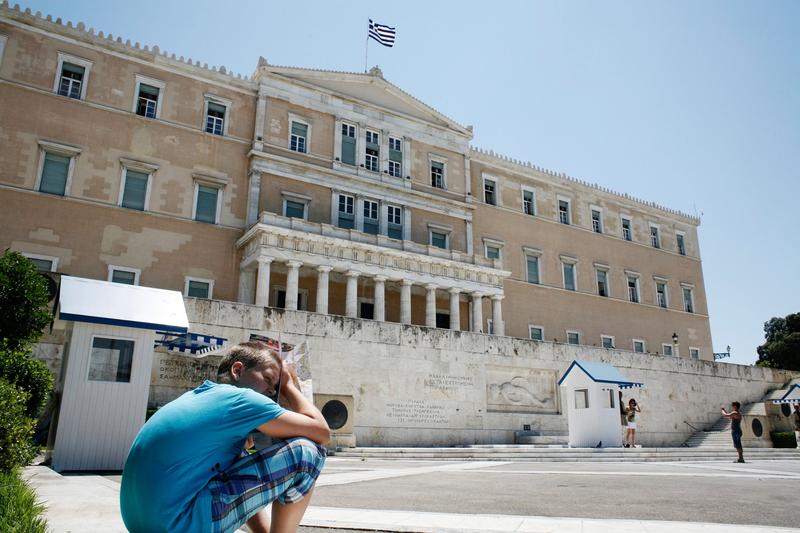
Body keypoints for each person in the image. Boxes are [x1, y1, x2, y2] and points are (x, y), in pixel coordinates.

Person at [120, 341, 331, 533]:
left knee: (237, 461)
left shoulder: (202, 398)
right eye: (268, 380)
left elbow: (238, 484)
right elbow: (322, 432)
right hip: (179, 524)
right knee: (307, 451)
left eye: (274, 388)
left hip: (144, 524)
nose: (270, 392)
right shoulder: (242, 399)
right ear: (237, 370)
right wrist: (288, 386)